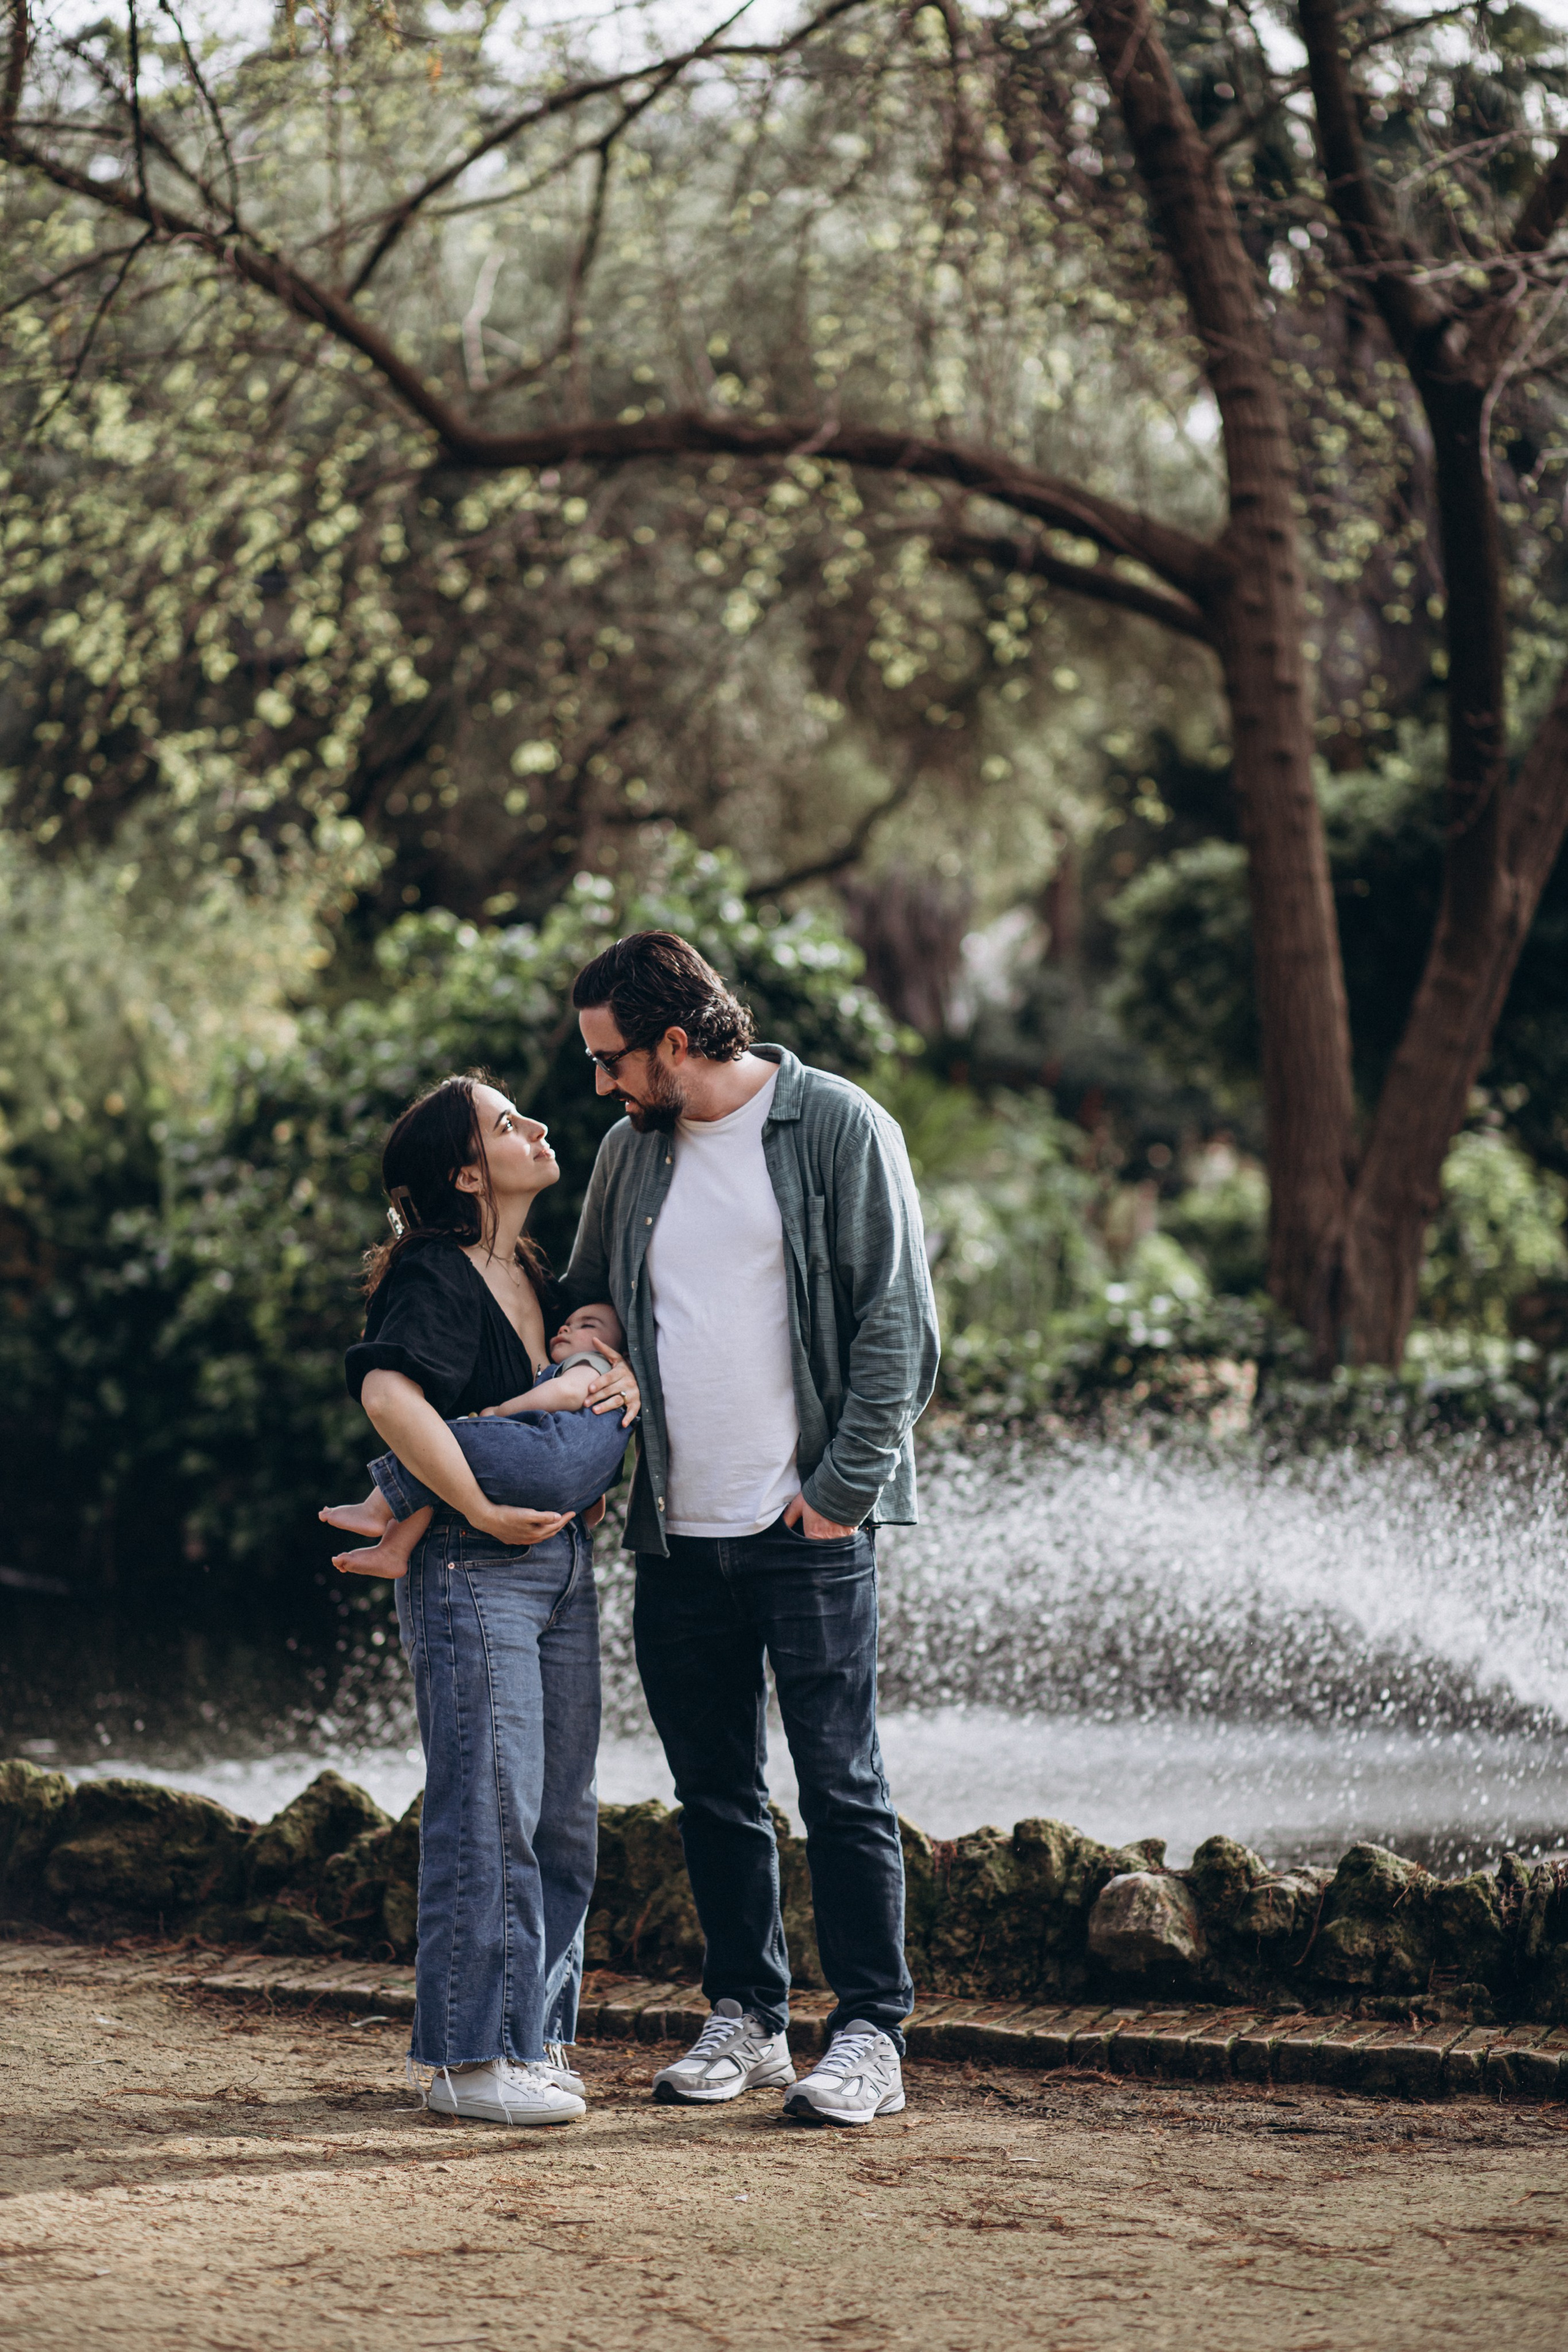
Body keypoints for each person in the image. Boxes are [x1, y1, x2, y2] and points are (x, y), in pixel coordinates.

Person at [564, 931, 940, 2127]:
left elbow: (899, 1331)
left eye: (612, 1059)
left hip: (805, 1525)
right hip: (677, 1528)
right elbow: (593, 1296)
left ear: (677, 1041)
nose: (602, 1085)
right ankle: (750, 2019)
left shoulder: (836, 1126)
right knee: (712, 1789)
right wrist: (585, 1340)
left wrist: (837, 1494)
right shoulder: (632, 1151)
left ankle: (872, 2031)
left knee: (840, 1785)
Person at [337, 1071, 640, 2128]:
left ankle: (534, 2039)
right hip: (477, 1565)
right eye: (509, 1124)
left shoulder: (536, 1272)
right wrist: (469, 1502)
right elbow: (388, 1393)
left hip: (557, 1568)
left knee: (562, 1816)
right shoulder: (433, 1271)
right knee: (490, 1811)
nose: (539, 1127)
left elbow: (553, 1422)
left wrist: (608, 1391)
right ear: (467, 1172)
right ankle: (469, 2060)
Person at [320, 1300, 630, 1580]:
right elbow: (595, 1503)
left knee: (432, 1440)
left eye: (587, 1325)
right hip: (567, 1497)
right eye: (569, 1322)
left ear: (618, 1350)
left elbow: (566, 1392)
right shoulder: (619, 1408)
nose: (567, 1326)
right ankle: (394, 1550)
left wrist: (502, 1410)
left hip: (543, 1454)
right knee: (441, 1476)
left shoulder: (596, 1365)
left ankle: (377, 1509)